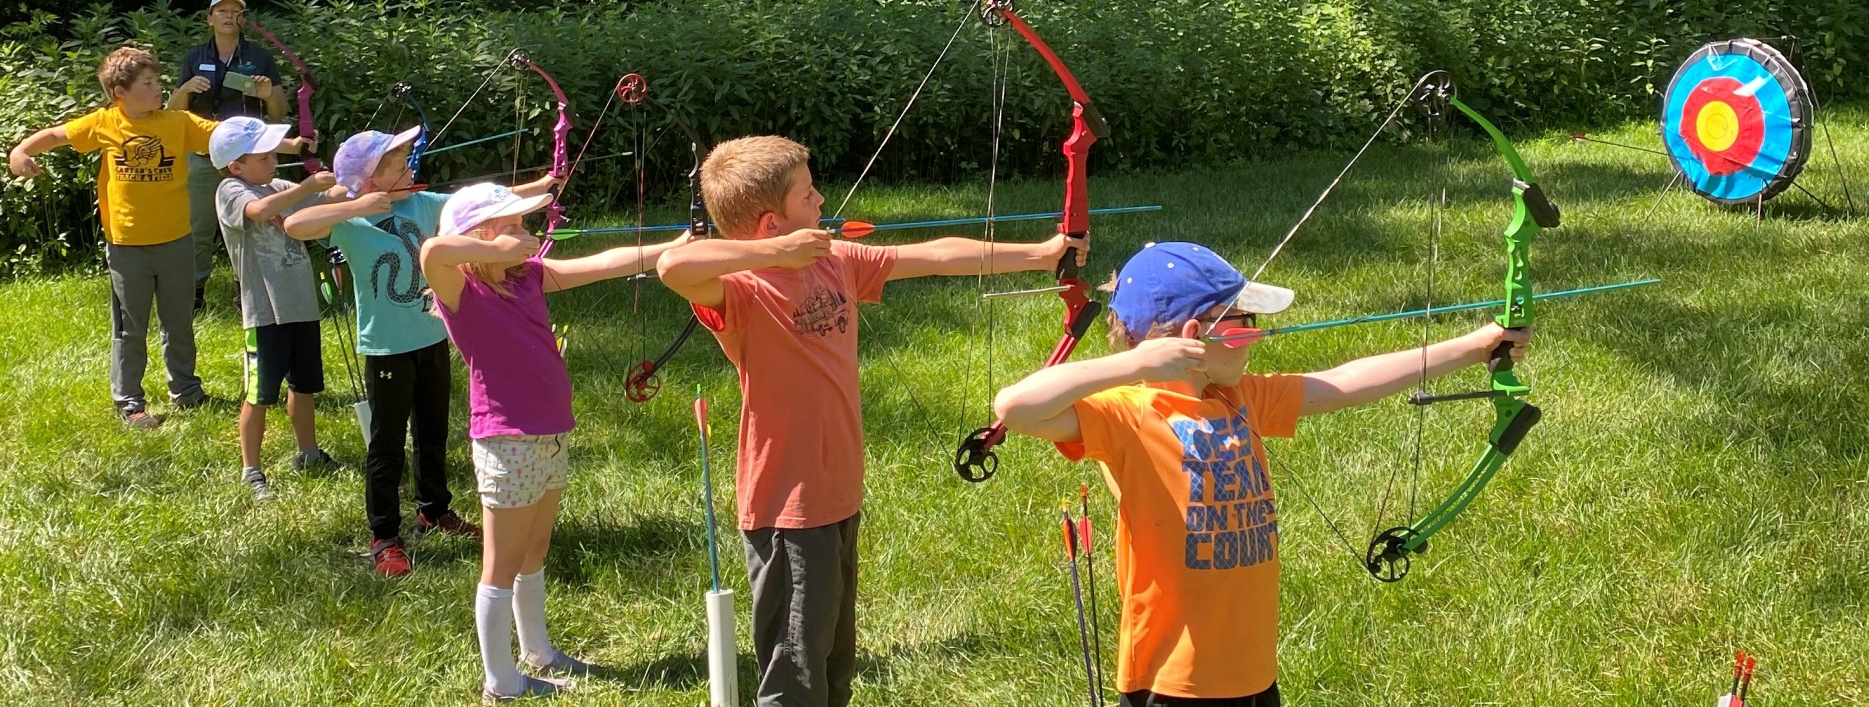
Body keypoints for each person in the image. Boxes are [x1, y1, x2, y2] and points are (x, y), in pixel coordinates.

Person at [989, 242, 1532, 707]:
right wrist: (1134, 363)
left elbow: (1346, 381)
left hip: (1250, 669)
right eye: (1246, 323)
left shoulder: (1241, 397)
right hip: (1174, 678)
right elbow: (1014, 406)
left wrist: (1475, 345)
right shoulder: (1126, 413)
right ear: (1195, 337)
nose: (1258, 335)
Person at [655, 135, 1090, 706]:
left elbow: (934, 255)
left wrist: (1040, 252)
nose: (821, 200)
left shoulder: (834, 262)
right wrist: (776, 257)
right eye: (807, 196)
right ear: (769, 225)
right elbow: (672, 264)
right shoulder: (740, 291)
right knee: (794, 681)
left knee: (834, 672)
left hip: (837, 497)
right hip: (787, 509)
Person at [422, 182, 694, 701]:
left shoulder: (528, 277)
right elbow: (434, 250)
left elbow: (606, 262)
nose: (525, 237)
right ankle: (500, 682)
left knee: (535, 549)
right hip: (507, 440)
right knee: (501, 562)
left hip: (550, 432)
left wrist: (673, 247)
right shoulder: (460, 290)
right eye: (514, 228)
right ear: (479, 236)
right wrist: (493, 248)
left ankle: (539, 652)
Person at [283, 130, 560, 575]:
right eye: (397, 164)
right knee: (387, 443)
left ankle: (434, 509)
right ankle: (385, 536)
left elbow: (482, 200)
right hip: (386, 347)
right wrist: (356, 207)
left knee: (432, 432)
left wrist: (543, 185)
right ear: (372, 180)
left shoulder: (421, 203)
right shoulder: (350, 222)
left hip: (431, 337)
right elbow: (295, 225)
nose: (409, 166)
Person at [7, 46, 220, 429]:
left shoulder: (177, 122)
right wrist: (21, 150)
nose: (159, 89)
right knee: (130, 328)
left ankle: (186, 391)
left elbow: (228, 137)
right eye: (148, 83)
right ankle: (129, 402)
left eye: (158, 81)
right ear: (120, 92)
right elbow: (57, 134)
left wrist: (290, 143)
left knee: (179, 322)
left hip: (176, 241)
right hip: (127, 246)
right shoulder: (105, 123)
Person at [210, 116, 343, 499]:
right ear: (236, 165)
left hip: (301, 305)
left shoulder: (277, 184)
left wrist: (348, 183)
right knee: (259, 392)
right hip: (264, 312)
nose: (273, 161)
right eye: (265, 156)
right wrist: (306, 186)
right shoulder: (230, 189)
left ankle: (308, 453)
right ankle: (251, 469)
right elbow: (259, 212)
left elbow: (323, 200)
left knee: (304, 386)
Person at [167, 0, 289, 312]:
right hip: (203, 152)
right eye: (222, 10)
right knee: (197, 225)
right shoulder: (195, 57)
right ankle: (193, 294)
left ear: (243, 19)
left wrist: (265, 94)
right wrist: (185, 89)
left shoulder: (259, 57)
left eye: (236, 11)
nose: (228, 16)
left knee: (250, 222)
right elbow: (173, 111)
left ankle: (247, 290)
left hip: (248, 156)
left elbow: (278, 113)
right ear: (210, 18)